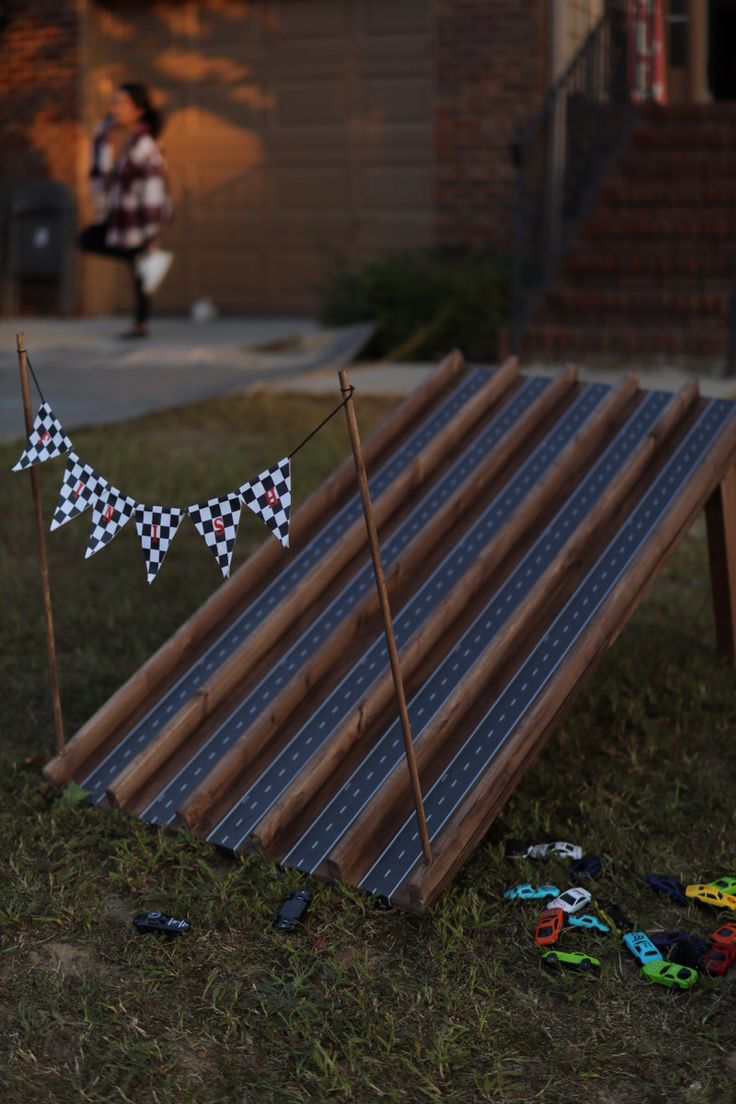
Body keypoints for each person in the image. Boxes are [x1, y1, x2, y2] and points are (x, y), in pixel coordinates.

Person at [79, 82, 173, 338]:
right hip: (119, 215)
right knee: (93, 243)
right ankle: (136, 255)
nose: (115, 108)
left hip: (137, 218)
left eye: (122, 103)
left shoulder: (145, 145)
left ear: (139, 110)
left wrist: (151, 233)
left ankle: (141, 323)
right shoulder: (115, 135)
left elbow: (154, 189)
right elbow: (103, 172)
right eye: (114, 102)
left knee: (94, 242)